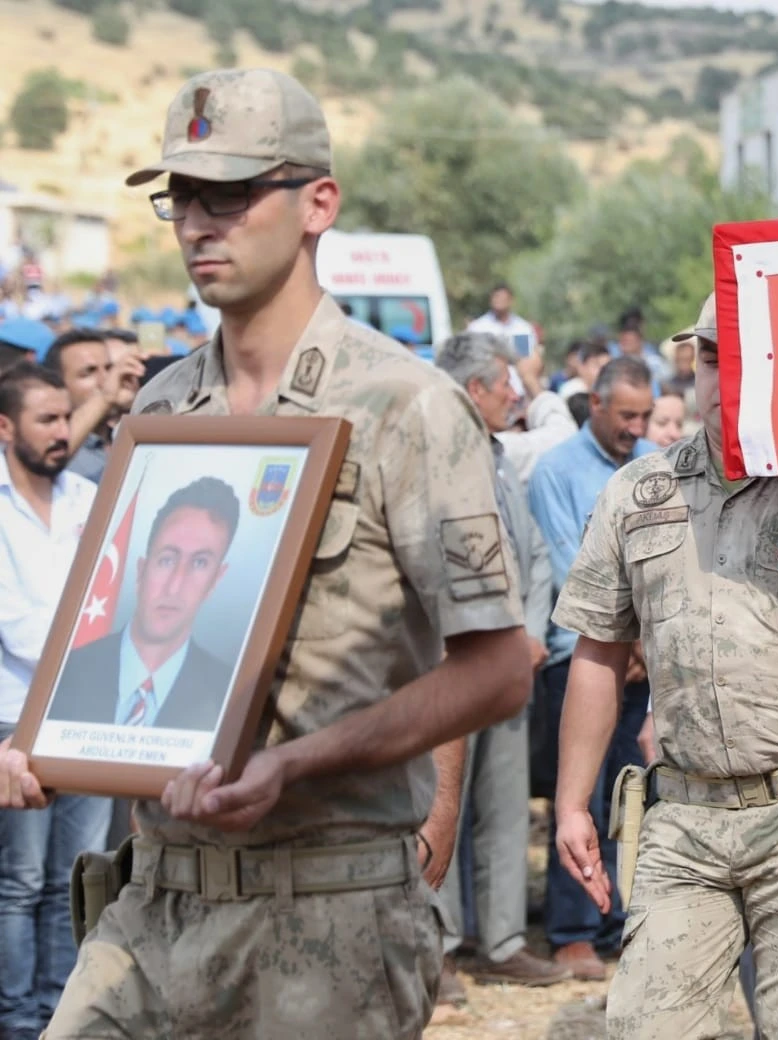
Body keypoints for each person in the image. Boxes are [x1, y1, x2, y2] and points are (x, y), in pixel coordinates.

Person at [0, 68, 534, 1039]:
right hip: (154, 899)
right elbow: (125, 632)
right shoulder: (162, 408)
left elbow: (498, 666)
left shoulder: (405, 405)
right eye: (182, 199)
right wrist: (45, 744)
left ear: (317, 203)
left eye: (232, 195)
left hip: (323, 913)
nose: (198, 225)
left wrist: (295, 763)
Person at [552, 292, 778, 1038]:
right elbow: (598, 650)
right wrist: (572, 803)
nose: (722, 377)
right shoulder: (638, 493)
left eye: (745, 358)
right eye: (710, 358)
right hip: (687, 813)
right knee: (645, 1025)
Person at [431, 332, 568, 1001]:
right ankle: (437, 950)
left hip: (510, 664)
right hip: (448, 667)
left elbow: (534, 554)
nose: (516, 394)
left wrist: (533, 633)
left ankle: (504, 942)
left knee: (507, 807)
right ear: (473, 389)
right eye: (506, 384)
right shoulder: (426, 458)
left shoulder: (500, 456)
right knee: (440, 809)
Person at [526, 355, 659, 980]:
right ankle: (574, 929)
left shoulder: (656, 465)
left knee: (628, 794)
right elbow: (564, 565)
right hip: (577, 656)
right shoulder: (556, 470)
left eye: (645, 415)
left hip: (642, 658)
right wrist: (622, 640)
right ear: (597, 404)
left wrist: (641, 644)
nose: (637, 427)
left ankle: (621, 915)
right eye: (627, 415)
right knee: (578, 790)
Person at [0, 363, 107, 1040]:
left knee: (76, 876)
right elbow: (16, 625)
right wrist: (94, 640)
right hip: (15, 716)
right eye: (46, 420)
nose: (62, 431)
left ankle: (63, 1014)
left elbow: (111, 593)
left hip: (85, 711)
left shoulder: (88, 499)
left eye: (66, 417)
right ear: (5, 428)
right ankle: (16, 1017)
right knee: (20, 880)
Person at [47, 477, 239, 732]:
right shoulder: (65, 672)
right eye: (167, 560)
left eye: (199, 563)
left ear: (215, 580)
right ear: (141, 569)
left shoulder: (230, 693)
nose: (174, 586)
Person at [41, 329, 144, 484]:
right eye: (88, 373)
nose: (106, 380)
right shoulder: (49, 444)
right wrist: (105, 397)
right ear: (58, 385)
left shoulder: (127, 436)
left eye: (110, 369)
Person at [466, 284, 538, 355]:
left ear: (511, 300)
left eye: (502, 298)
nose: (499, 301)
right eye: (496, 297)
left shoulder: (523, 328)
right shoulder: (477, 328)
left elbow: (528, 356)